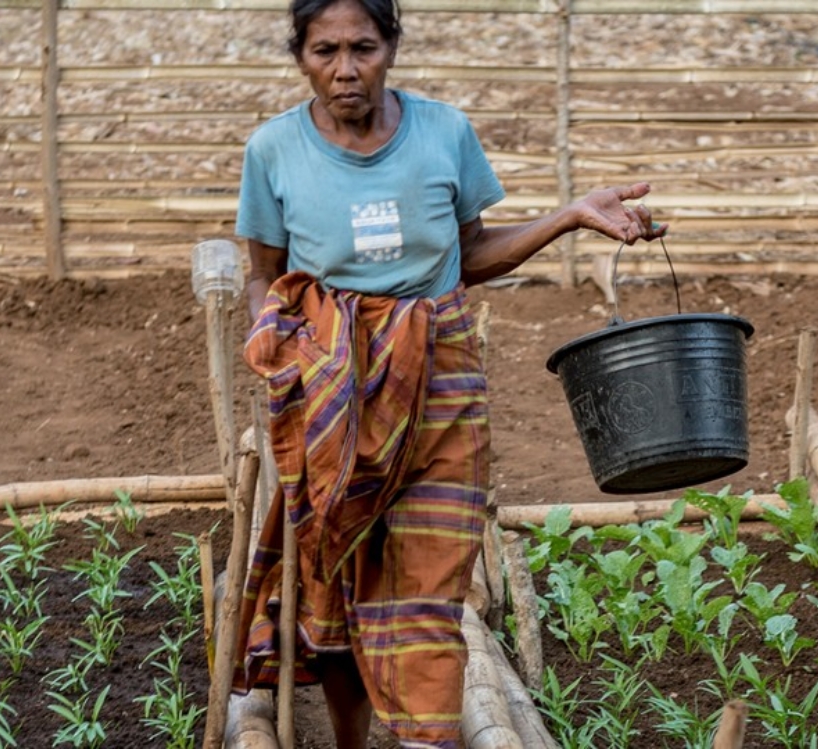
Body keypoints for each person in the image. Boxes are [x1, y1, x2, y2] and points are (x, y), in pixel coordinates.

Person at [232, 0, 664, 745]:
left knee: (429, 583)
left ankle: (424, 738)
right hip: (331, 399)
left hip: (439, 386)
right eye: (324, 50)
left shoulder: (442, 132)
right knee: (336, 578)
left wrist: (566, 216)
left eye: (362, 47)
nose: (345, 69)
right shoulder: (274, 150)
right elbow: (263, 277)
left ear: (391, 47)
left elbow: (471, 254)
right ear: (299, 55)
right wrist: (283, 356)